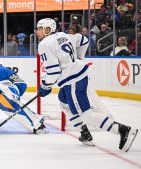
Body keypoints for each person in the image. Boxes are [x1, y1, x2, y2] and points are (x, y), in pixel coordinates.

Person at [36, 18, 138, 152]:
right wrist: (79, 57)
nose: (37, 32)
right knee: (63, 102)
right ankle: (84, 132)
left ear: (47, 29)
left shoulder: (44, 44)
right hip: (77, 75)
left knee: (86, 114)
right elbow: (83, 40)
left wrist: (45, 86)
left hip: (72, 80)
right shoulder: (64, 35)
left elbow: (53, 71)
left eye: (39, 28)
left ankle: (123, 130)